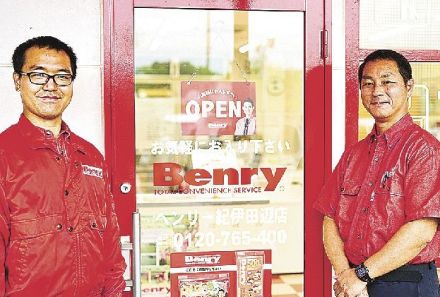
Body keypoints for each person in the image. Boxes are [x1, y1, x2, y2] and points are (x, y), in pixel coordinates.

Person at [0, 36, 126, 296]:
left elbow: (111, 248)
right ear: (17, 81)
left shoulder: (91, 156)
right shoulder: (5, 155)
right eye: (38, 75)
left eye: (62, 77)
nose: (51, 86)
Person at [315, 49, 440, 297]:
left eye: (387, 82)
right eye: (368, 84)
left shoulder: (424, 150)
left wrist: (361, 274)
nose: (377, 91)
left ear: (409, 87)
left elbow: (421, 230)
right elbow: (330, 218)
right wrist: (346, 275)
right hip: (355, 283)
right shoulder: (354, 154)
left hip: (406, 283)